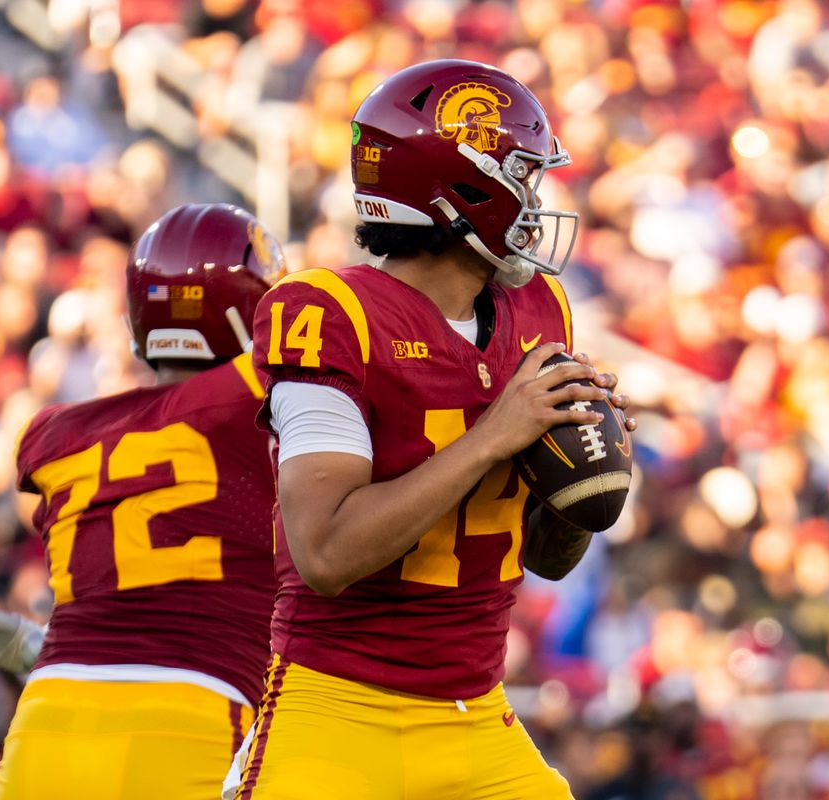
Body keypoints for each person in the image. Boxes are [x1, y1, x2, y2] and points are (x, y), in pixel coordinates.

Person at [237, 59, 636, 799]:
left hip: (478, 715)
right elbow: (324, 554)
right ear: (461, 192)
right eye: (523, 178)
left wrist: (584, 471)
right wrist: (494, 435)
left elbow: (546, 560)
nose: (535, 202)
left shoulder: (540, 309)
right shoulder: (328, 312)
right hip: (337, 714)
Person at [0, 203, 285, 800]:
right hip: (192, 718)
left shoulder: (59, 434)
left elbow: (128, 601)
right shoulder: (261, 407)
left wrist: (34, 646)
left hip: (47, 716)